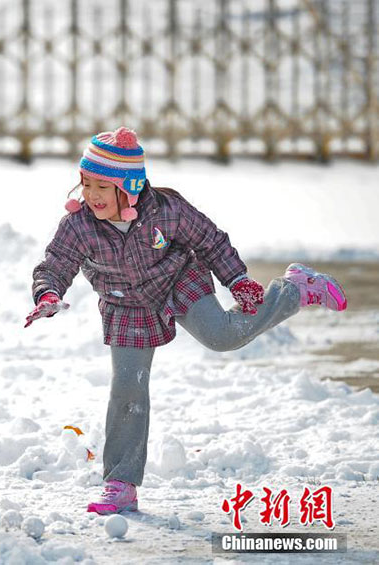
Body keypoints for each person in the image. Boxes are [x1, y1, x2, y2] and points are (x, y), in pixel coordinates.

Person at [26, 127, 347, 515]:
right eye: (86, 183)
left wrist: (238, 280)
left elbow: (211, 241)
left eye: (101, 186)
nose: (91, 195)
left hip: (178, 280)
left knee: (224, 335)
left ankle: (295, 289)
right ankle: (121, 481)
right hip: (126, 303)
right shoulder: (79, 225)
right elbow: (56, 263)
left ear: (128, 188)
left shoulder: (167, 210)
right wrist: (48, 292)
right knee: (128, 387)